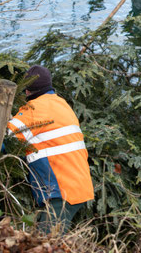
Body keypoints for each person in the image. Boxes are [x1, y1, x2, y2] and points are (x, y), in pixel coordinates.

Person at [6, 65, 94, 234]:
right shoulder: (62, 104)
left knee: (47, 241)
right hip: (78, 186)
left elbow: (4, 141)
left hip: (61, 191)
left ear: (27, 90)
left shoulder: (33, 110)